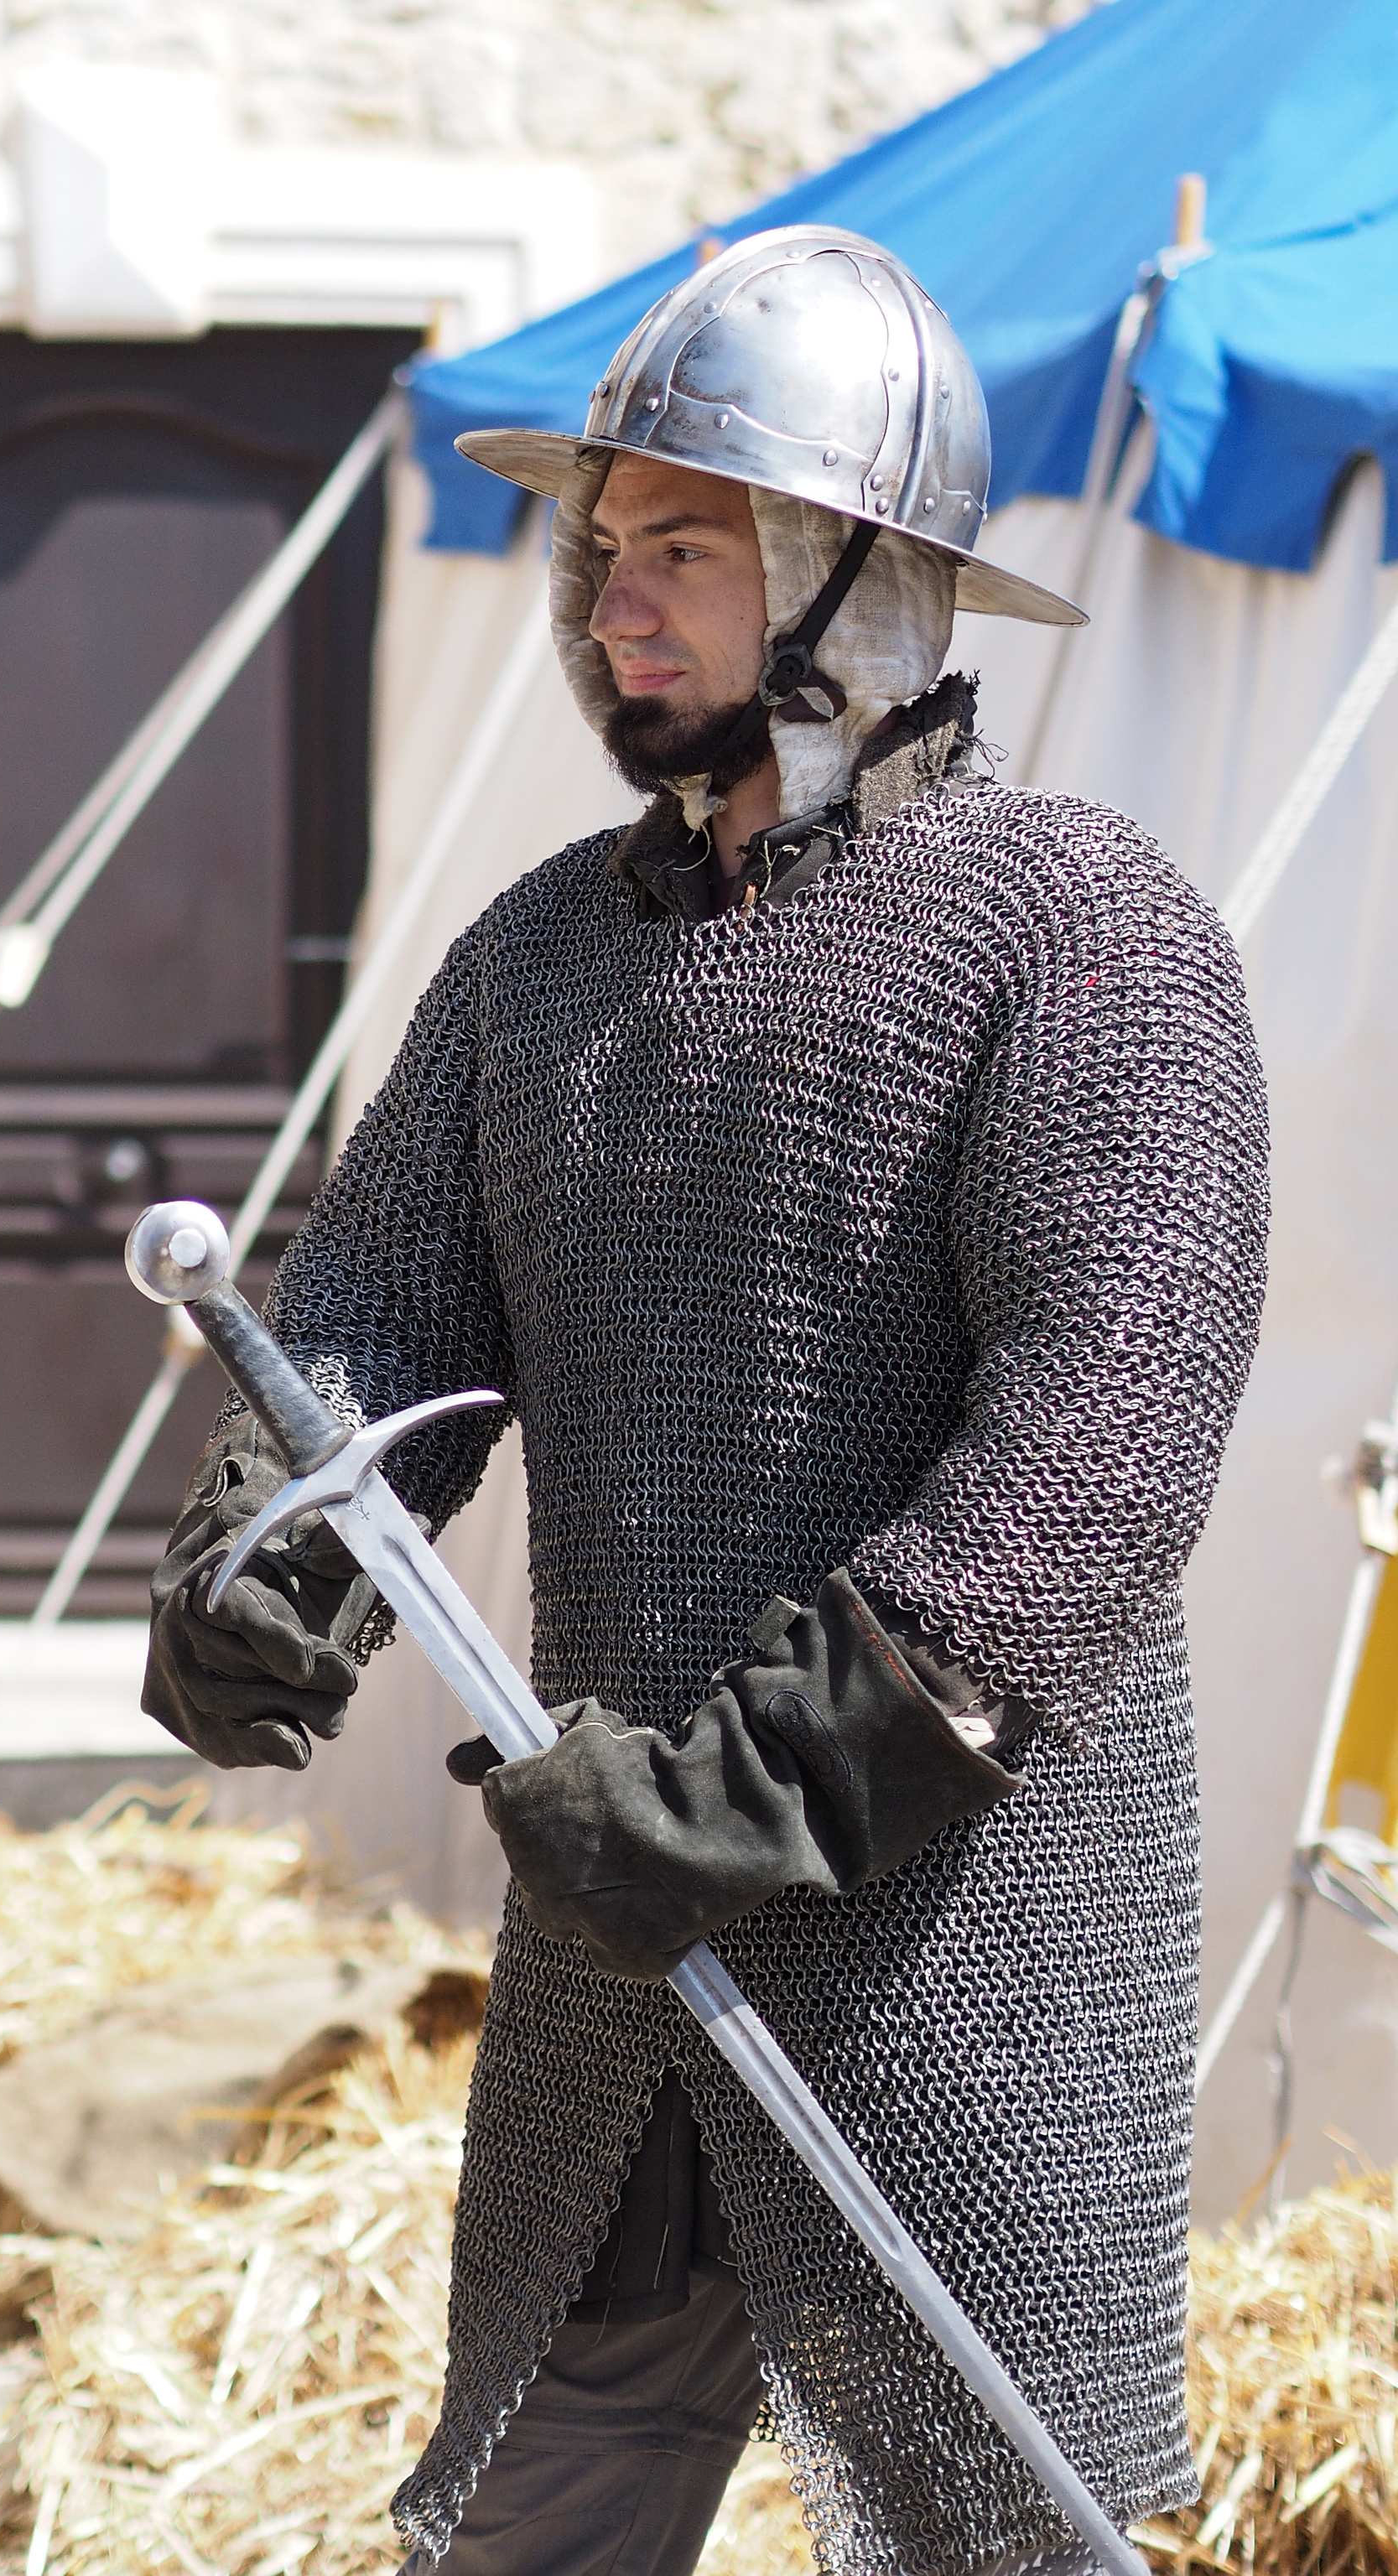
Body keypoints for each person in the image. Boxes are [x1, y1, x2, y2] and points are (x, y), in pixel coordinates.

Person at [141, 226, 1270, 2576]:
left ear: (859, 582)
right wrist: (271, 1552)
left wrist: (755, 1791)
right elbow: (381, 1327)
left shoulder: (1079, 930)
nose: (608, 603)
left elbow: (1105, 1433)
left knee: (986, 2541)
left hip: (953, 1937)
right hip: (627, 1938)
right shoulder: (544, 954)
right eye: (598, 546)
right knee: (537, 2530)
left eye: (684, 546)